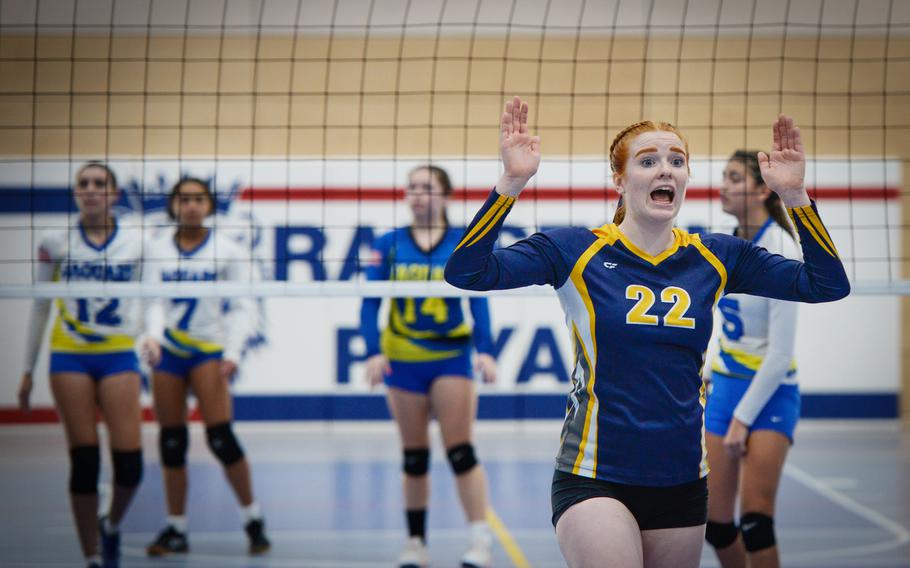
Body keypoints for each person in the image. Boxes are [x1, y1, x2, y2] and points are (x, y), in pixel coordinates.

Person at [444, 96, 850, 568]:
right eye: (648, 160)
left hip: (681, 480)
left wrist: (796, 198)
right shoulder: (574, 250)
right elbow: (467, 273)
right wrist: (510, 184)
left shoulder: (717, 256)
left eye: (677, 161)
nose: (665, 170)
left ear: (686, 179)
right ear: (619, 180)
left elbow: (827, 285)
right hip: (594, 474)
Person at [360, 165, 498, 568]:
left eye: (427, 187)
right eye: (412, 187)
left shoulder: (461, 242)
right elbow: (369, 302)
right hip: (402, 357)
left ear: (446, 195)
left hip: (451, 356)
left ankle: (479, 539)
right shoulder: (388, 244)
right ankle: (415, 542)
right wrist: (372, 350)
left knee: (461, 452)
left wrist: (485, 350)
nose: (417, 194)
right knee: (414, 457)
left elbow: (480, 298)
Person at [18, 162, 145, 568]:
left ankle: (111, 525)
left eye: (100, 184)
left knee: (130, 467)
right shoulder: (55, 242)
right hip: (69, 354)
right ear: (75, 193)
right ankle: (90, 555)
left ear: (115, 194)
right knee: (85, 461)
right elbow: (40, 305)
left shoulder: (138, 241)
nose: (91, 190)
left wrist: (149, 338)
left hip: (119, 352)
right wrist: (27, 368)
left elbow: (154, 297)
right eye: (83, 184)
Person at [141, 177, 270, 557]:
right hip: (169, 351)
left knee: (221, 439)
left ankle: (253, 519)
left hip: (208, 351)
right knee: (171, 442)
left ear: (210, 205)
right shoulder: (157, 250)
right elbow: (149, 301)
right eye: (184, 199)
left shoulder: (227, 250)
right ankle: (176, 528)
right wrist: (150, 336)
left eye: (198, 199)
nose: (192, 206)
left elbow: (245, 305)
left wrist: (233, 351)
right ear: (173, 206)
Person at [702, 151, 802, 568]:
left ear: (763, 189)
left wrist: (743, 418)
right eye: (723, 176)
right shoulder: (724, 246)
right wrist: (706, 371)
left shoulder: (781, 250)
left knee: (756, 521)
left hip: (770, 392)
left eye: (734, 178)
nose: (723, 185)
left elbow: (780, 353)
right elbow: (724, 325)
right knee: (717, 525)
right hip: (725, 386)